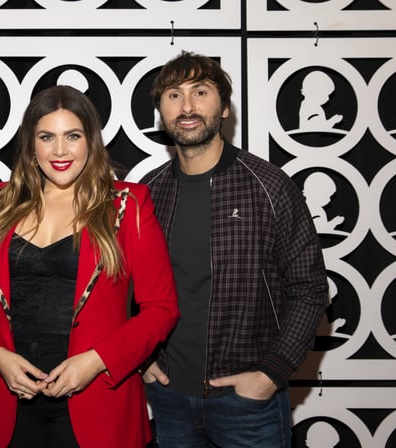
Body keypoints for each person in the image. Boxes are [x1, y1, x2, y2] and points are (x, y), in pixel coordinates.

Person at [0, 86, 179, 448]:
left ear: (90, 140)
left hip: (100, 402)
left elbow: (162, 309)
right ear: (31, 144)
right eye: (47, 137)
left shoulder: (127, 204)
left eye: (72, 136)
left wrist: (96, 361)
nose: (60, 151)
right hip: (11, 405)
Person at [140, 51, 327, 447]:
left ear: (224, 107)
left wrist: (271, 374)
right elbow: (122, 285)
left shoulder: (270, 186)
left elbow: (309, 289)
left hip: (248, 404)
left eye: (200, 92)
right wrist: (141, 360)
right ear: (161, 112)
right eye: (173, 95)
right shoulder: (148, 193)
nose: (187, 106)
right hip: (169, 398)